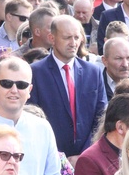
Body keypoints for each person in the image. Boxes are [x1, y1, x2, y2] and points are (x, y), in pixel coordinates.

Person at [28, 15, 108, 158]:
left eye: (77, 37)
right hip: (49, 156)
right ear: (52, 38)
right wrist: (58, 156)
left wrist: (85, 154)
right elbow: (33, 118)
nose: (73, 43)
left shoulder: (93, 72)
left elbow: (101, 117)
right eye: (67, 38)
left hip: (87, 157)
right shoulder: (35, 72)